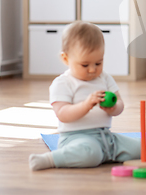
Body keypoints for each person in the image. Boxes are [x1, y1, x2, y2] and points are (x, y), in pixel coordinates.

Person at [29, 21, 140, 170]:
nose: (93, 70)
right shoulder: (63, 83)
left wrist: (113, 108)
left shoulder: (105, 78)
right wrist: (86, 105)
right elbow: (62, 114)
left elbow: (119, 103)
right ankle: (51, 159)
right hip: (75, 137)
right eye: (85, 65)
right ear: (66, 59)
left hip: (105, 136)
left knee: (139, 148)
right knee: (89, 152)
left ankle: (102, 155)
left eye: (98, 63)